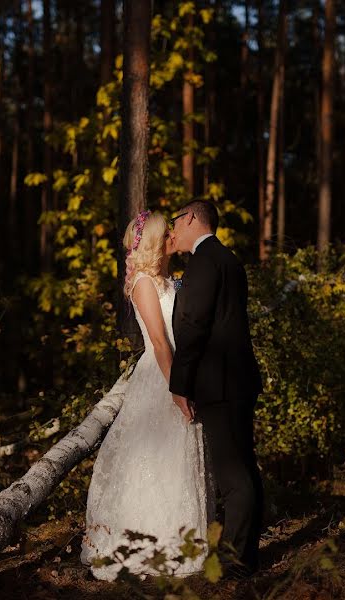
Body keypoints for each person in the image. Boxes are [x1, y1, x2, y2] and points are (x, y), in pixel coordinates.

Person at [81, 210, 210, 581]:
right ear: (156, 241)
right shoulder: (143, 282)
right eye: (167, 231)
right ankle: (147, 544)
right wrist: (178, 389)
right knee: (152, 459)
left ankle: (182, 538)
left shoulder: (168, 279)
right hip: (161, 375)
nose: (173, 234)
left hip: (181, 369)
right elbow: (157, 342)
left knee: (179, 458)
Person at [168, 200, 264, 578]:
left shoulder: (204, 261)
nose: (175, 227)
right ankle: (247, 555)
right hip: (239, 379)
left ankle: (235, 563)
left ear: (191, 217)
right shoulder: (228, 259)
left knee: (233, 475)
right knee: (246, 467)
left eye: (177, 219)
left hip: (219, 383)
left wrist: (180, 383)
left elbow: (194, 326)